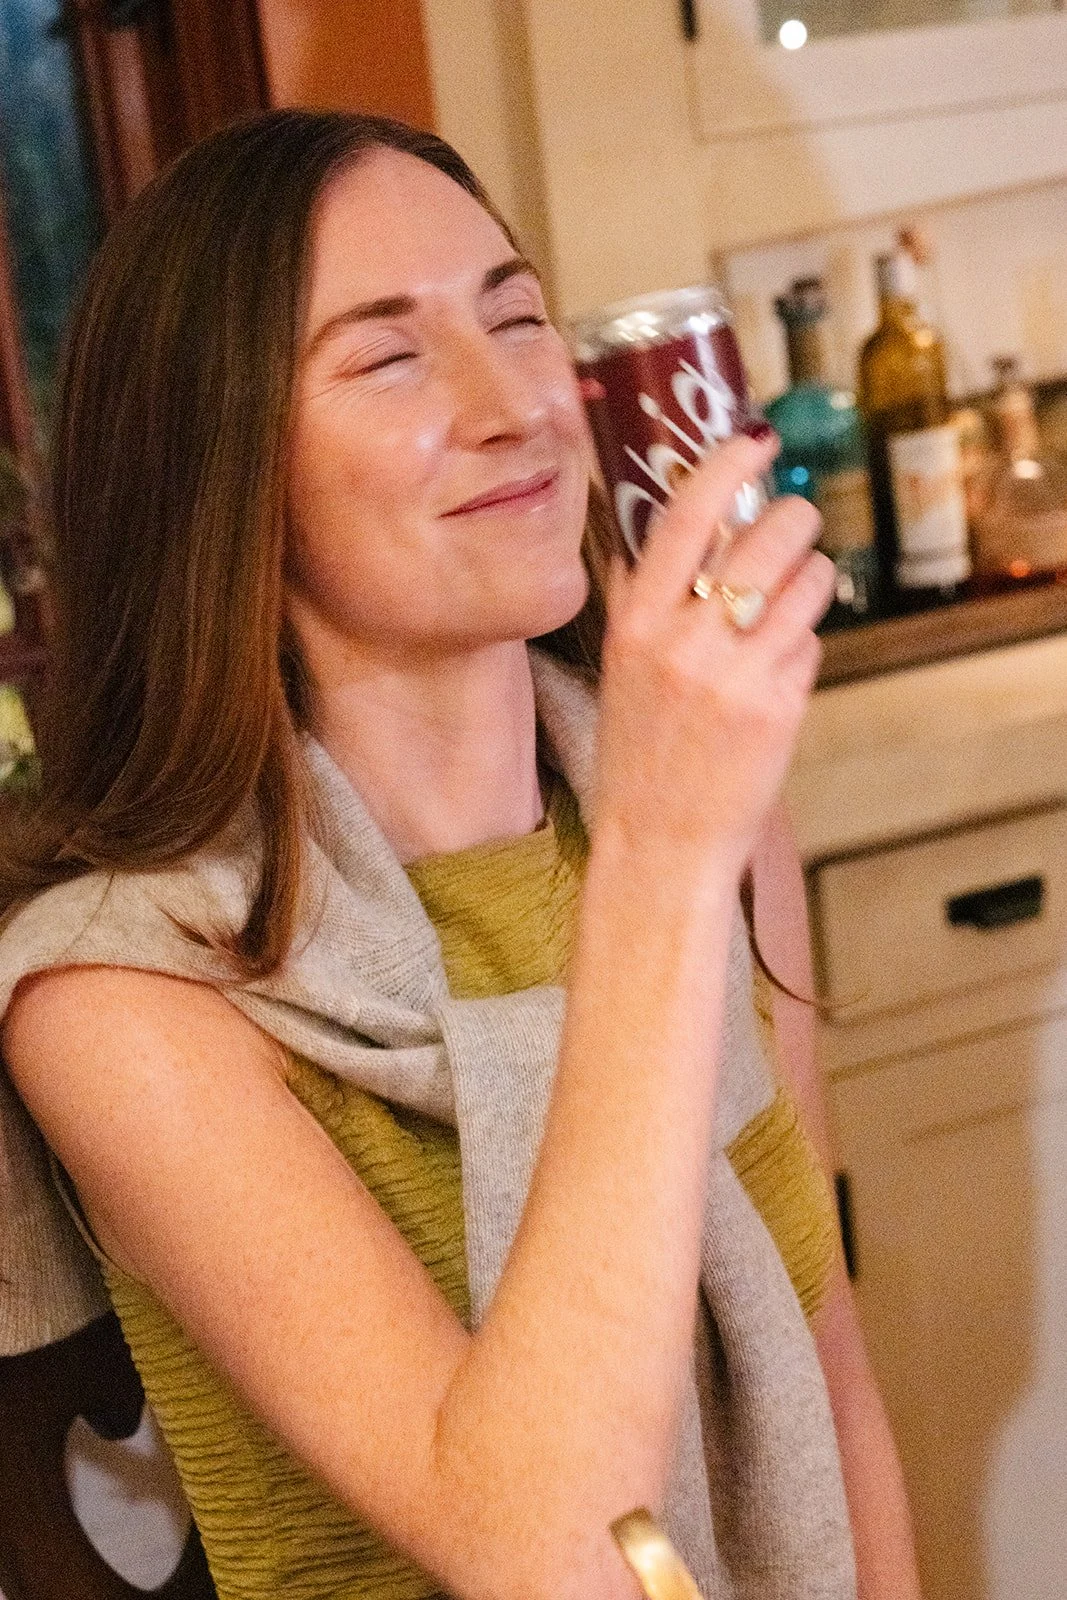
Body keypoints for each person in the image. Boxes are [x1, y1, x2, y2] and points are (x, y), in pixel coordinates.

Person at [0, 111, 920, 1600]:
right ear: (217, 469)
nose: (518, 406)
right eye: (390, 355)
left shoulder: (713, 824)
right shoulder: (122, 1001)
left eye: (516, 316)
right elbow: (543, 1552)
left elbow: (828, 1363)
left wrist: (687, 837)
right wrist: (664, 863)